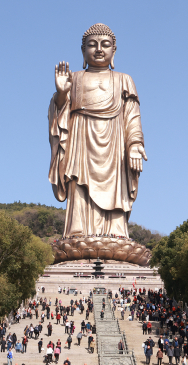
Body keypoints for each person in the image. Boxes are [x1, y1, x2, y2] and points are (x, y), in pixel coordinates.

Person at [48, 23, 147, 239]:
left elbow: (132, 115)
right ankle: (78, 233)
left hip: (114, 143)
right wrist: (62, 95)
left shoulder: (124, 80)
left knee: (115, 189)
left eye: (105, 44)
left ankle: (116, 234)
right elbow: (59, 116)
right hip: (81, 140)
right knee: (79, 185)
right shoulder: (74, 78)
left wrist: (135, 146)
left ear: (114, 50)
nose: (99, 49)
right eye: (92, 45)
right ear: (83, 51)